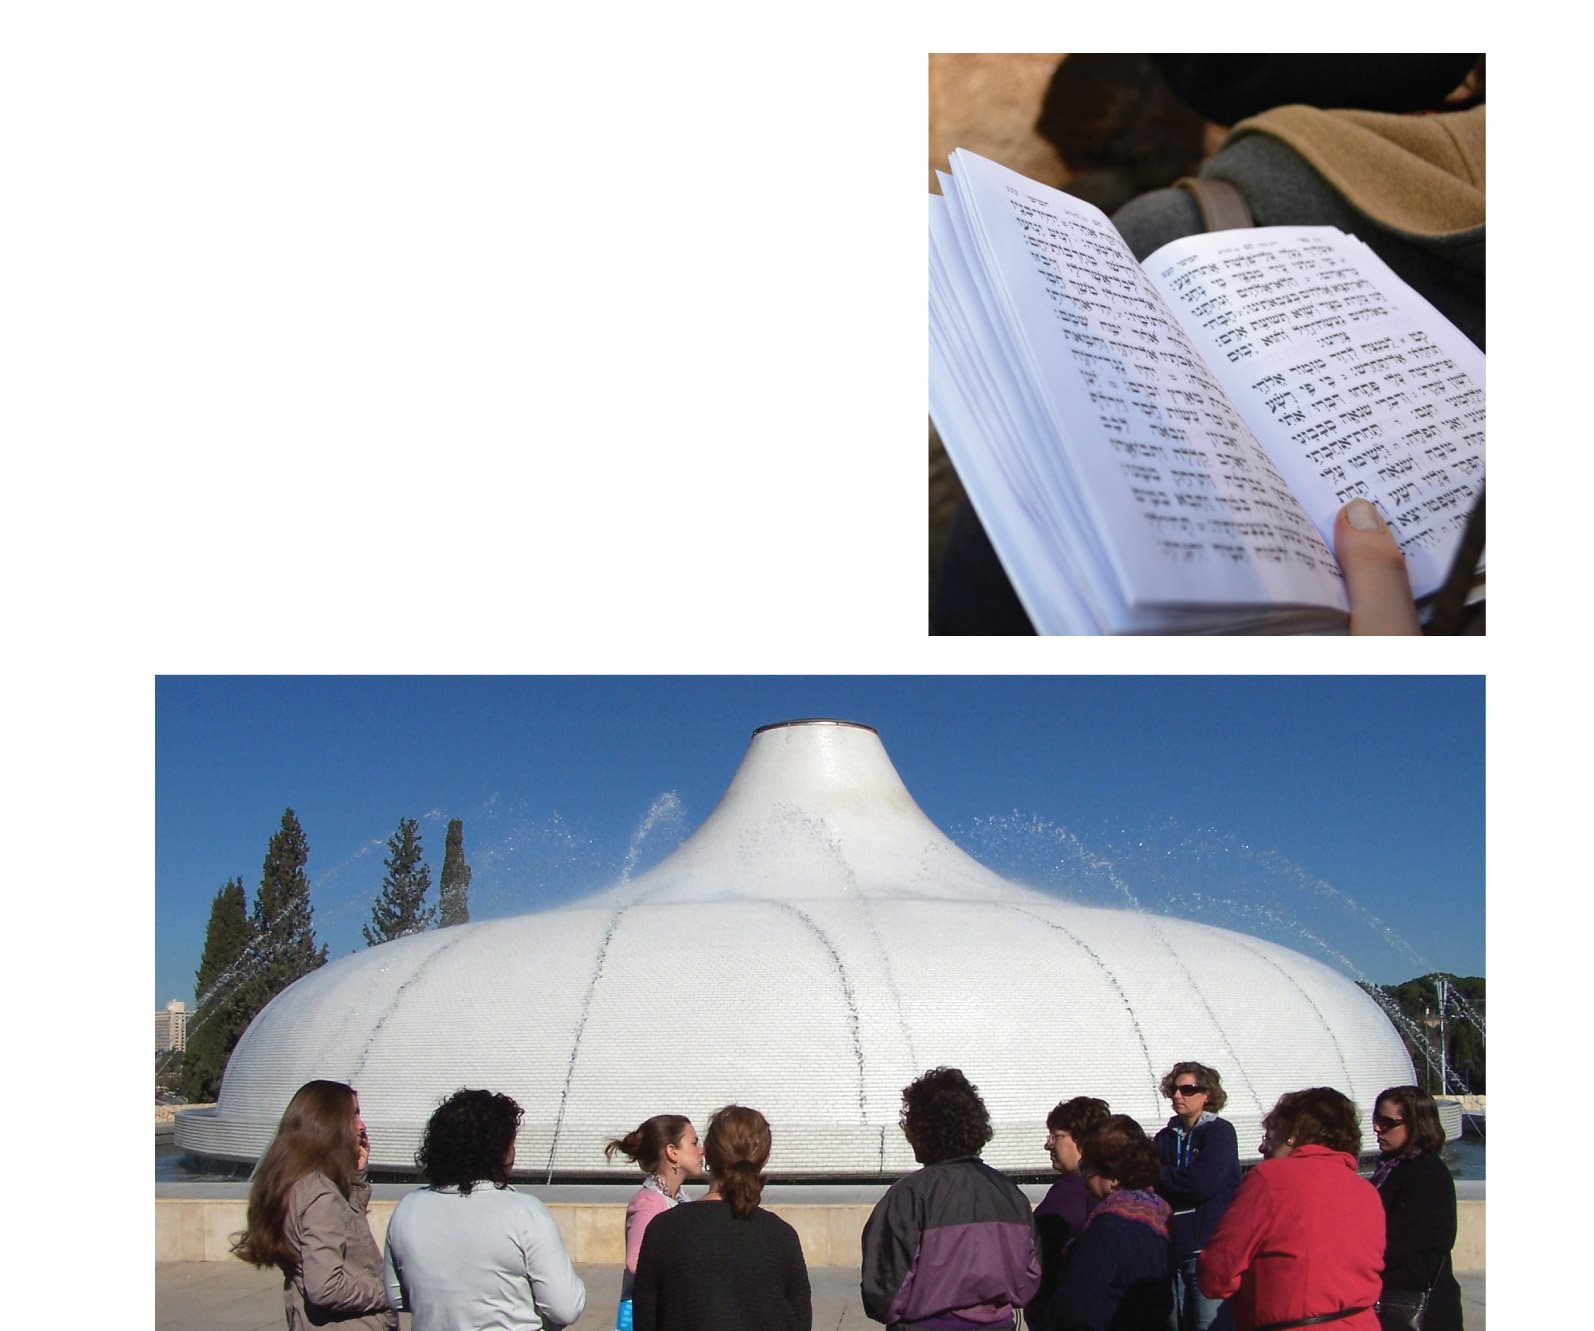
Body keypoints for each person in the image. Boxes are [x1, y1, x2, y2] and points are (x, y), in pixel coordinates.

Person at [382, 1089, 586, 1330]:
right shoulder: (524, 1212)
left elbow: (395, 1296)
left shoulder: (408, 1208)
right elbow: (565, 1307)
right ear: (499, 1152)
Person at [861, 1066, 1040, 1329]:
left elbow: (885, 1289)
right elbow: (1031, 1274)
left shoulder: (909, 1196)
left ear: (922, 1128)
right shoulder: (1009, 1193)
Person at [1197, 1087, 1384, 1331]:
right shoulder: (1366, 1190)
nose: (1262, 1148)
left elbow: (1217, 1274)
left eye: (1270, 1136)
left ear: (1292, 1135)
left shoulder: (1270, 1179)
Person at [231, 1079, 398, 1331]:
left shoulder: (294, 1182)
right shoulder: (320, 1193)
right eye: (354, 1115)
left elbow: (345, 1231)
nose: (361, 1126)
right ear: (330, 1124)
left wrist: (356, 1178)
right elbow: (326, 1288)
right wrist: (389, 1291)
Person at [632, 1104, 810, 1331]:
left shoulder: (663, 1229)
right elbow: (801, 1321)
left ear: (707, 1152)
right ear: (765, 1159)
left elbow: (645, 1321)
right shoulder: (781, 1236)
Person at [1039, 1115, 1173, 1330]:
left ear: (1114, 1176)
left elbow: (1072, 1305)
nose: (1084, 1177)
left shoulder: (1112, 1226)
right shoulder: (1157, 1211)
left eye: (1088, 1168)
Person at [1153, 1063, 1240, 1331]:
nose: (1178, 1096)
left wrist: (1164, 1176)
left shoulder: (1220, 1133)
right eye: (1174, 1090)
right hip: (1172, 1252)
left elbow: (1201, 1182)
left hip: (1206, 1253)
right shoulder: (1165, 1138)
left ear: (1208, 1094)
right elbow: (1149, 1178)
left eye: (1188, 1089)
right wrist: (1175, 1178)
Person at [1369, 1086, 1464, 1331]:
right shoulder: (1391, 1168)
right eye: (1376, 1119)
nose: (1377, 1128)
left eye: (1388, 1122)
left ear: (1416, 1124)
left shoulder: (1426, 1174)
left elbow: (1418, 1243)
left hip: (1420, 1309)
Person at [605, 1114, 704, 1329]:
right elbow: (635, 1261)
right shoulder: (648, 1202)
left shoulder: (679, 1198)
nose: (701, 1150)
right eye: (694, 1143)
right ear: (672, 1152)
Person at [1030, 1096, 1112, 1324]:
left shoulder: (1069, 1192)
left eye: (1056, 1136)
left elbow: (1039, 1248)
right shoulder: (1115, 1189)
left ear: (1082, 1140)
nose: (1048, 1144)